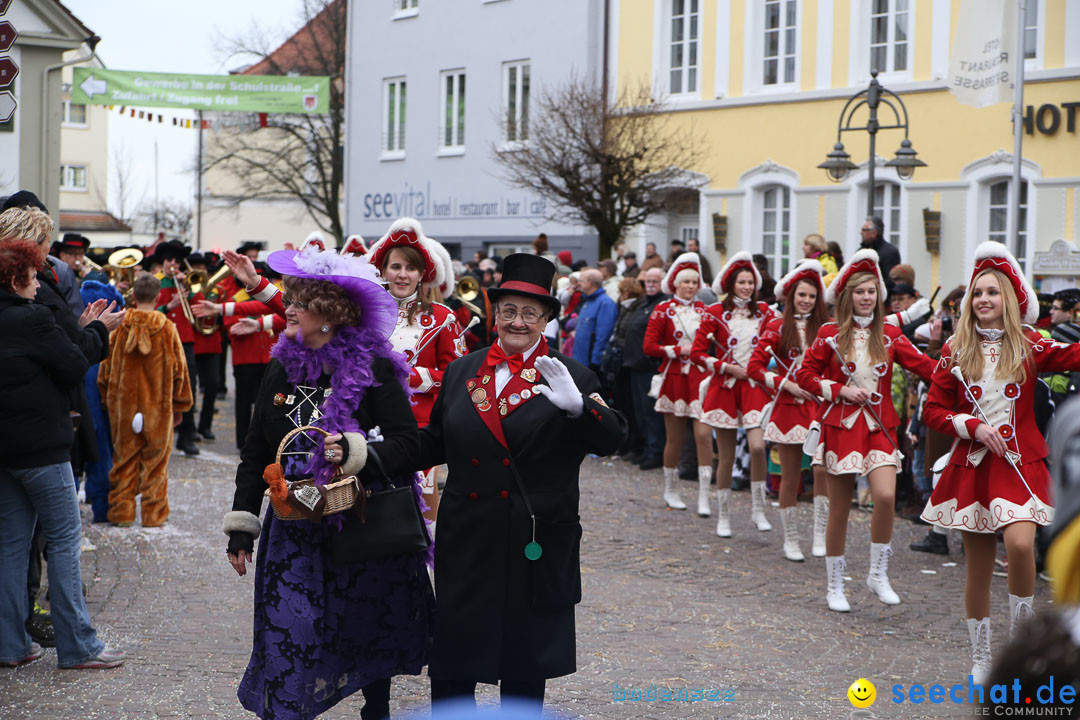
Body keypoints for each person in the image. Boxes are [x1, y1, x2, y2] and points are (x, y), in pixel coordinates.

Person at [224, 242, 434, 720]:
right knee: (287, 632)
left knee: (366, 626)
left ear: (332, 312)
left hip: (356, 519)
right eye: (291, 299)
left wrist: (358, 451)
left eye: (300, 301)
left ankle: (375, 710)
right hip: (294, 525)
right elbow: (257, 450)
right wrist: (241, 524)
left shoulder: (375, 365)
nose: (289, 307)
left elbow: (409, 443)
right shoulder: (281, 364)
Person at [412, 253, 627, 715]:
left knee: (524, 669)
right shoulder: (461, 371)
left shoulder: (574, 376)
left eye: (531, 312)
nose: (518, 321)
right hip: (468, 537)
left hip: (534, 539)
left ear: (547, 320)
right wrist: (364, 454)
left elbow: (614, 438)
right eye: (508, 310)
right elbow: (430, 444)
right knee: (453, 664)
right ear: (494, 315)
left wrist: (579, 409)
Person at [920, 242, 1080, 682]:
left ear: (1008, 299)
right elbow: (932, 410)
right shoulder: (955, 350)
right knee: (976, 569)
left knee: (1022, 546)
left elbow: (1073, 355)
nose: (984, 299)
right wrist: (970, 426)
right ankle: (980, 659)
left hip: (1020, 465)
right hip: (972, 468)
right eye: (978, 293)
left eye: (993, 292)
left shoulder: (1029, 345)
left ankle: (1021, 647)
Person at [0, 238, 125, 669]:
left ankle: (9, 644)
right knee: (65, 543)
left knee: (11, 547)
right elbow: (72, 364)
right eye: (33, 277)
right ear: (17, 278)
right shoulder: (30, 317)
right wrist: (97, 331)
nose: (38, 285)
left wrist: (83, 330)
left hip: (6, 452)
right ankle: (79, 646)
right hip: (40, 449)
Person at [796, 249, 934, 612]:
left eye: (872, 292)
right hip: (840, 425)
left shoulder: (888, 333)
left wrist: (961, 366)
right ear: (847, 296)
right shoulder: (829, 333)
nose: (866, 298)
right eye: (859, 292)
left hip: (880, 427)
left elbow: (925, 366)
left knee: (886, 497)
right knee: (839, 508)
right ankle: (835, 585)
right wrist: (839, 390)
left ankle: (877, 573)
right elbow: (805, 376)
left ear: (879, 296)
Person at [369, 217, 466, 529]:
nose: (402, 275)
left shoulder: (443, 317)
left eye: (410, 268)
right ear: (383, 270)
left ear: (422, 274)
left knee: (420, 518)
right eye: (395, 267)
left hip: (419, 432)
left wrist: (416, 377)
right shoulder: (361, 314)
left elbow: (460, 377)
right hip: (366, 428)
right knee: (369, 510)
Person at [747, 260, 830, 561]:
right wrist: (787, 384)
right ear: (790, 296)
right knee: (790, 475)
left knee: (822, 470)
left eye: (811, 296)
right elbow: (754, 368)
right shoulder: (775, 327)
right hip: (789, 407)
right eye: (801, 295)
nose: (806, 301)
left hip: (821, 407)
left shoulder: (827, 327)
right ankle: (791, 539)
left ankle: (820, 535)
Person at [692, 252, 778, 533]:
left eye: (750, 282)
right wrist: (726, 367)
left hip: (754, 388)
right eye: (741, 282)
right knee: (726, 455)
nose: (746, 287)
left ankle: (758, 509)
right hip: (725, 388)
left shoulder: (765, 312)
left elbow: (776, 341)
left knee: (757, 447)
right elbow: (697, 353)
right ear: (731, 284)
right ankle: (724, 516)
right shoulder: (715, 312)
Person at [98, 274, 193, 527]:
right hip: (158, 406)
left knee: (123, 460)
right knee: (155, 463)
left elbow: (104, 369)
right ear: (159, 296)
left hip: (124, 406)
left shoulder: (118, 326)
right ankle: (153, 515)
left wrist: (108, 401)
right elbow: (180, 371)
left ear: (133, 295)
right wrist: (180, 405)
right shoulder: (166, 328)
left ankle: (121, 512)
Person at [643, 253, 711, 511]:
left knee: (704, 436)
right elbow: (649, 346)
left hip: (700, 379)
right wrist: (677, 350)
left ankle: (704, 495)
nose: (691, 286)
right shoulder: (662, 310)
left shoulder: (705, 310)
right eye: (686, 282)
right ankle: (671, 489)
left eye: (695, 282)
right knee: (674, 438)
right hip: (673, 378)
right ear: (675, 284)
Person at [153, 239, 202, 457]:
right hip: (162, 340)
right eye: (169, 260)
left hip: (185, 340)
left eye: (177, 260)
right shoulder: (154, 282)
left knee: (188, 386)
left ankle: (187, 434)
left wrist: (189, 288)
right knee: (162, 387)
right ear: (162, 262)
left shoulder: (187, 283)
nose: (173, 264)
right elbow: (148, 310)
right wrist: (169, 305)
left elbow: (201, 308)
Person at [622, 267, 667, 470]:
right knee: (640, 411)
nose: (650, 285)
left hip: (650, 366)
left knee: (651, 413)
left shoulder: (662, 305)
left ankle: (655, 452)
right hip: (635, 365)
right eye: (647, 281)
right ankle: (646, 449)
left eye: (654, 281)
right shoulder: (644, 304)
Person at [187, 253, 222, 441]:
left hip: (211, 342)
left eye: (202, 267)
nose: (200, 270)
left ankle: (205, 425)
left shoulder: (216, 289)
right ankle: (189, 426)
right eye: (196, 267)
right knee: (190, 387)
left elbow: (222, 310)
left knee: (213, 384)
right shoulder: (186, 287)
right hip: (193, 340)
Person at [572, 268, 619, 374]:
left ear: (590, 283)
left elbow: (603, 335)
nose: (578, 284)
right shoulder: (587, 301)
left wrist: (596, 361)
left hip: (591, 365)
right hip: (580, 361)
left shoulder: (605, 304)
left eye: (582, 281)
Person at [859, 216, 901, 282]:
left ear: (874, 233)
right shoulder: (860, 252)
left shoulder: (890, 253)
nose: (861, 233)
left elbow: (890, 281)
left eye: (864, 230)